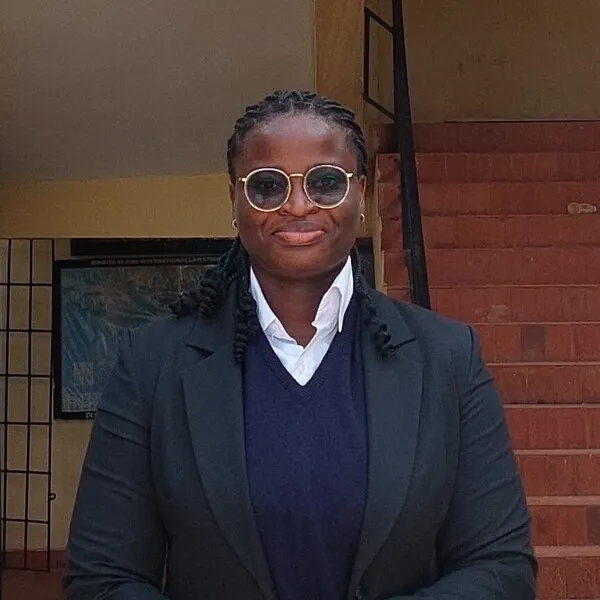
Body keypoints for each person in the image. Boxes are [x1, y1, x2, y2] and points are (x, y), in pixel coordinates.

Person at [64, 90, 536, 600]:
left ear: (360, 195)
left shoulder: (447, 357)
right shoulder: (152, 364)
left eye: (325, 182)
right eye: (267, 186)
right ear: (234, 200)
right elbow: (102, 578)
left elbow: (500, 569)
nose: (297, 205)